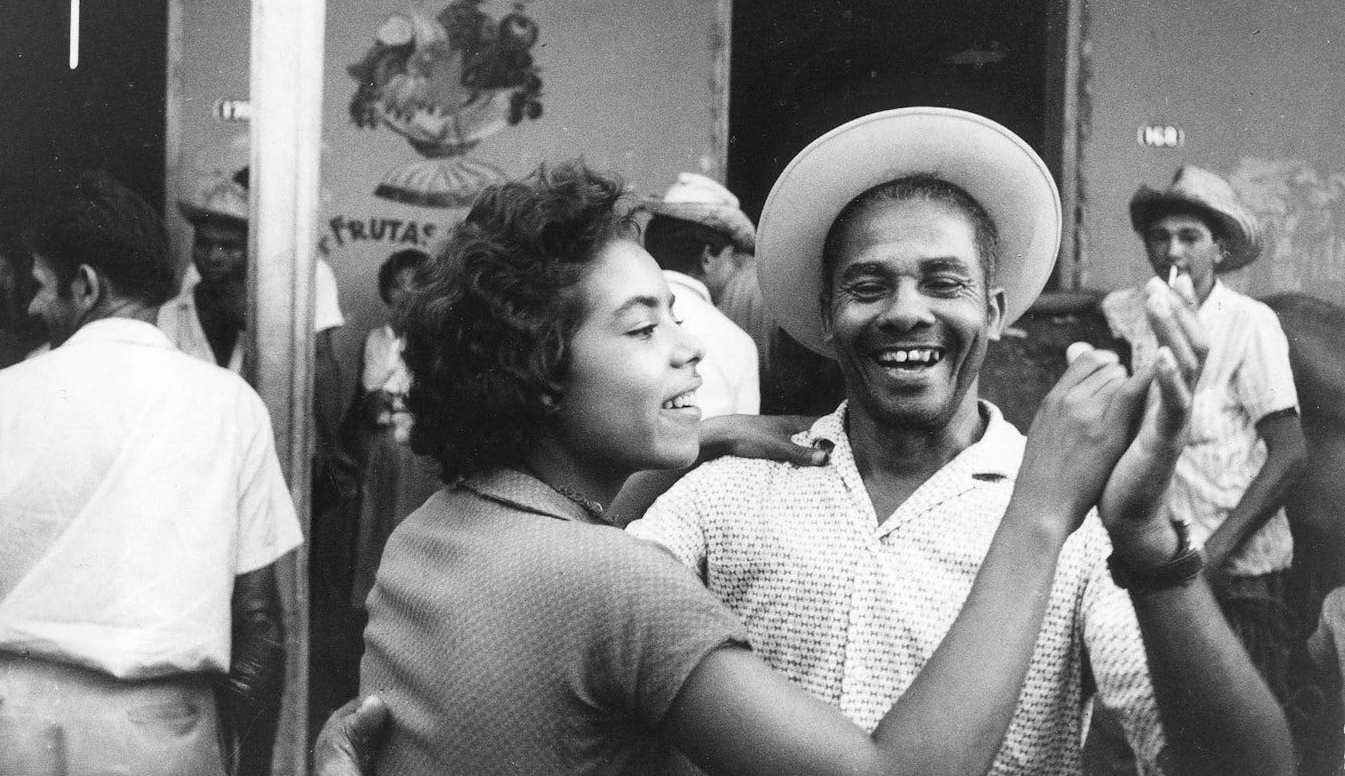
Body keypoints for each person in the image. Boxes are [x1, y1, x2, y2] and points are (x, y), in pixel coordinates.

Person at [324, 160, 1205, 776]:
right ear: (539, 371)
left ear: (996, 310)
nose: (691, 355)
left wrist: (691, 442)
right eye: (643, 328)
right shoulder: (630, 574)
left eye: (675, 317)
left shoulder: (428, 535)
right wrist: (1044, 502)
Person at [608, 109, 1290, 774]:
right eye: (869, 286)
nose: (907, 311)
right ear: (827, 317)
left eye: (944, 283)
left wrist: (1148, 538)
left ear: (993, 313)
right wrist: (697, 445)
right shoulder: (725, 492)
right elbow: (592, 626)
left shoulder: (1076, 519)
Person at [0, 172, 303, 776]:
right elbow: (261, 626)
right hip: (163, 734)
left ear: (86, 286)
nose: (34, 306)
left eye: (41, 286)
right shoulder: (232, 406)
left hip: (8, 727)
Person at [1101, 164, 1306, 699]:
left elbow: (1290, 454)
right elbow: (1092, 301)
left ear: (1219, 249)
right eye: (1160, 237)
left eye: (1189, 237)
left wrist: (1212, 557)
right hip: (1167, 567)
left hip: (1237, 576)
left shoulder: (1250, 323)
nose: (1172, 252)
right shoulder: (1141, 313)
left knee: (1243, 730)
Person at [158, 166, 356, 486]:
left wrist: (330, 444)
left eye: (228, 246)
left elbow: (320, 361)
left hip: (271, 446)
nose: (213, 256)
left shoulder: (308, 274)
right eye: (205, 244)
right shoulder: (189, 290)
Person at [348, 248, 443, 608]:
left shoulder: (436, 342)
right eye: (399, 285)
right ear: (387, 292)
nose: (407, 294)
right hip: (383, 445)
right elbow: (371, 402)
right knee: (381, 526)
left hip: (420, 449)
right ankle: (378, 603)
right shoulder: (378, 341)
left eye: (417, 284)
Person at [639, 172, 760, 417]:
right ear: (707, 257)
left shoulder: (624, 320)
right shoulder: (737, 343)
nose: (734, 272)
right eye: (732, 260)